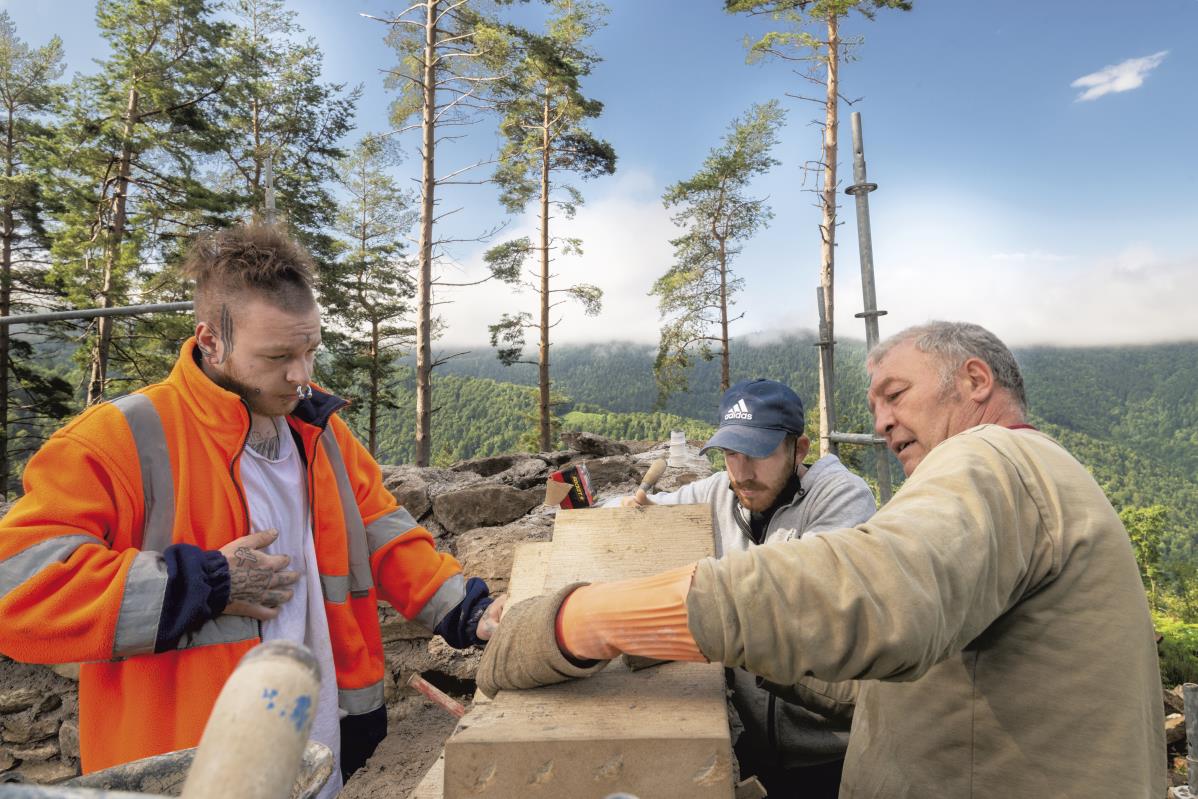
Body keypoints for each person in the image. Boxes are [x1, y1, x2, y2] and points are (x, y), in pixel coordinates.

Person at [479, 321, 1166, 797]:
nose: (882, 420)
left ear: (976, 379)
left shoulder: (993, 456)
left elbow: (873, 596)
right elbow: (906, 684)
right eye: (874, 404)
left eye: (896, 394)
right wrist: (742, 649)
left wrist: (590, 618)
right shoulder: (1043, 477)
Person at [0, 224, 501, 797]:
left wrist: (469, 611)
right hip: (187, 768)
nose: (302, 376)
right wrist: (201, 584)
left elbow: (384, 533)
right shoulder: (117, 440)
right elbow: (14, 590)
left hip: (323, 751)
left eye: (310, 350)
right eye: (278, 356)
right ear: (210, 340)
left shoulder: (321, 432)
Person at [611, 379, 875, 798]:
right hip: (751, 743)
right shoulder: (721, 491)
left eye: (760, 453)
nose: (742, 471)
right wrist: (634, 513)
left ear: (799, 450)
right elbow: (643, 513)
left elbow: (790, 595)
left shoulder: (842, 498)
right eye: (732, 452)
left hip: (828, 752)